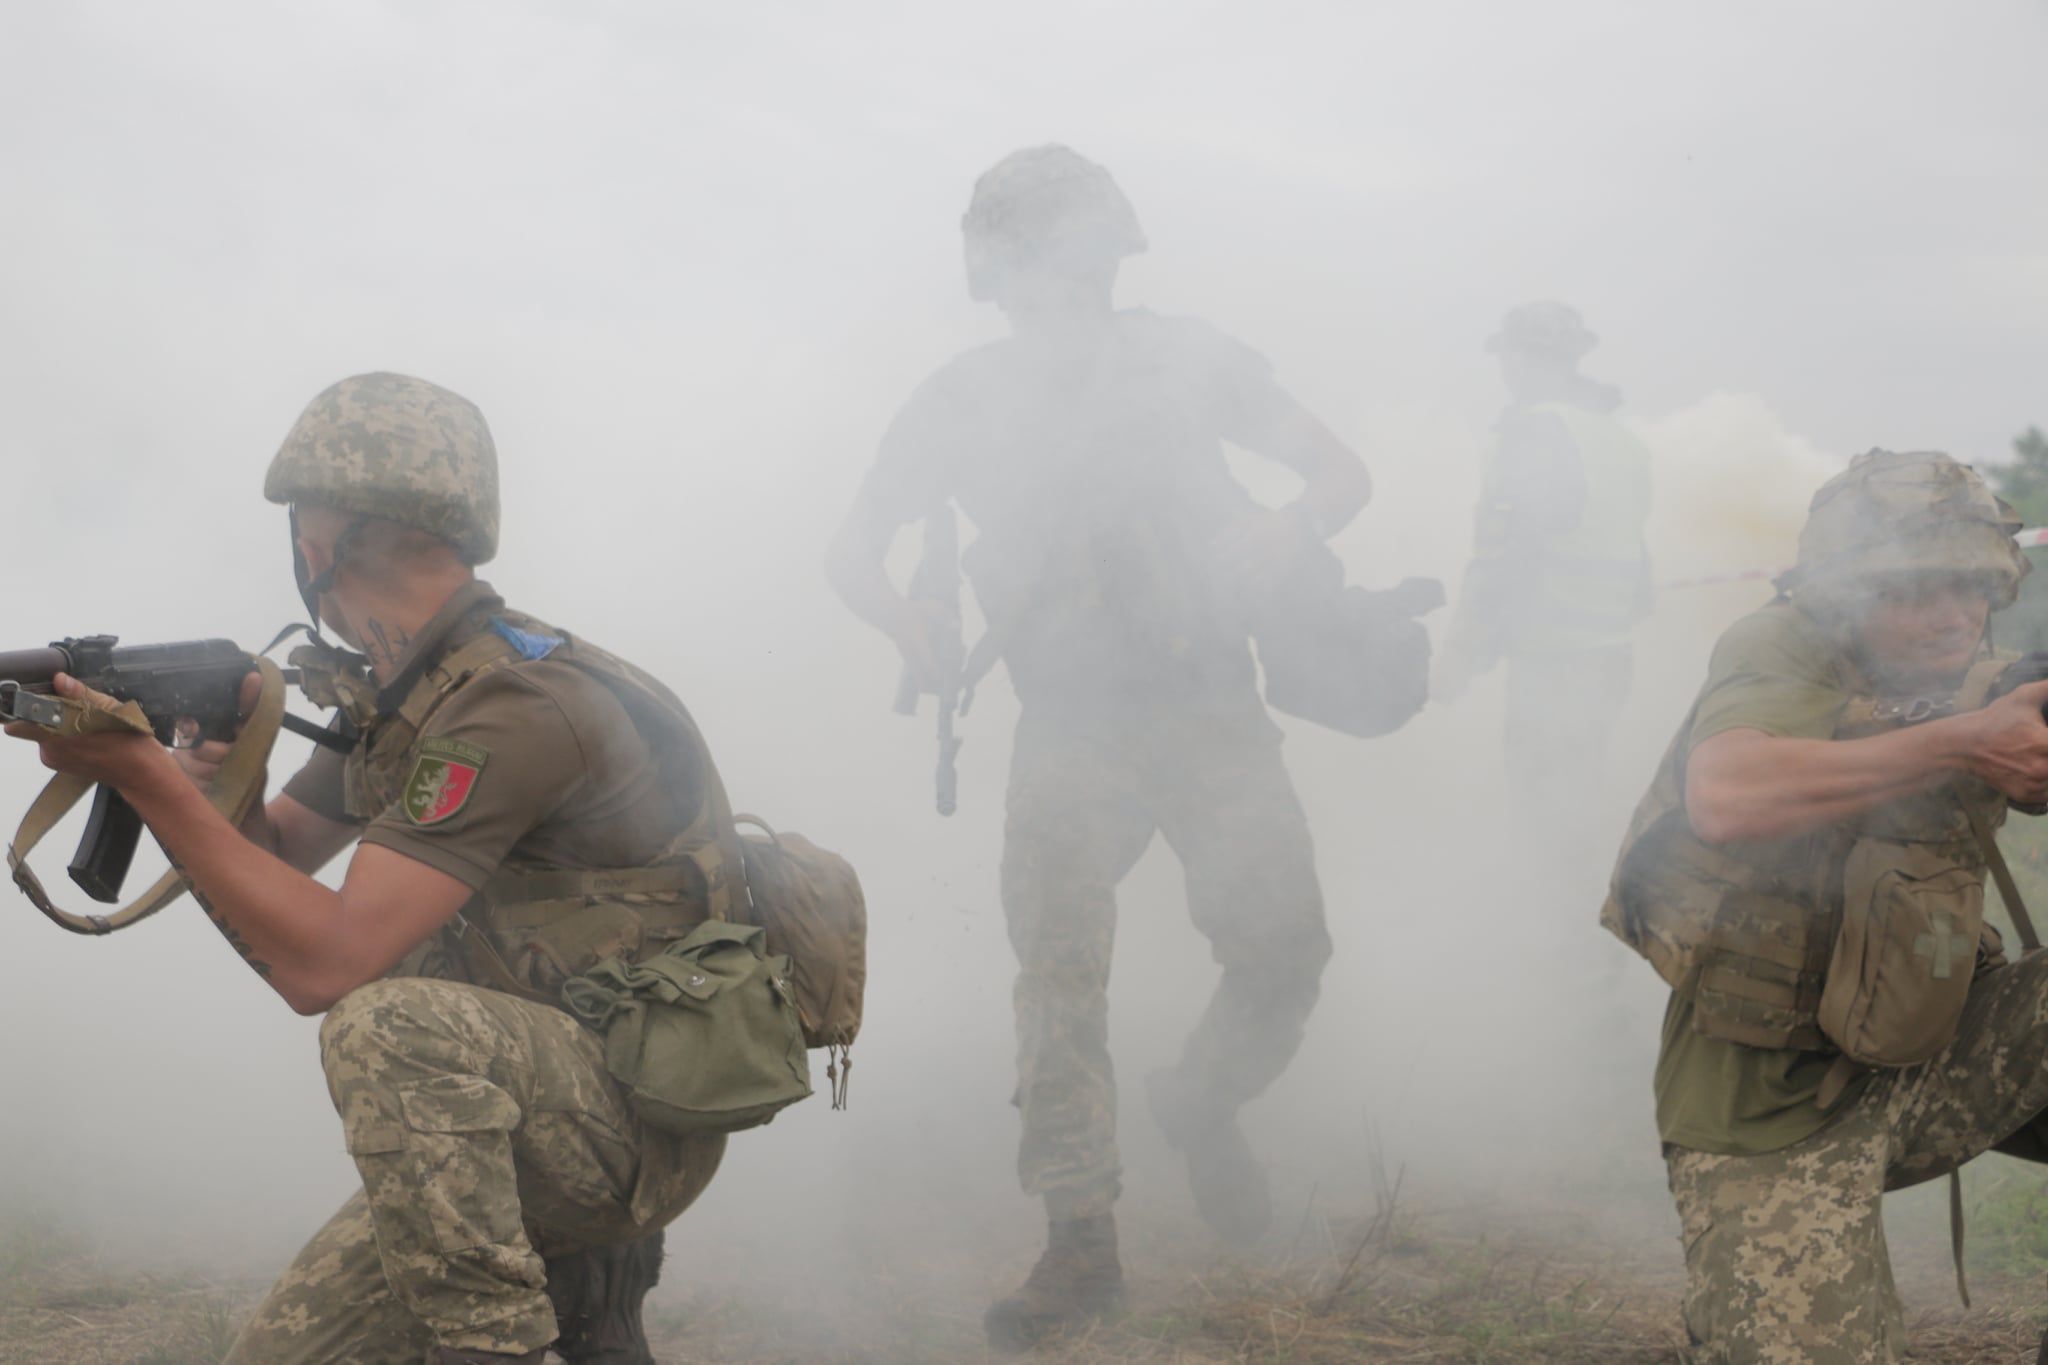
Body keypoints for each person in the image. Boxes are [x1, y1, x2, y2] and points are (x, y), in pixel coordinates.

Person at [6, 372, 733, 1365]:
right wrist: (212, 783)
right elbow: (273, 869)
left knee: (385, 1021)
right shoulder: (409, 695)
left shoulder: (510, 705)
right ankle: (574, 1289)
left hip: (621, 1124)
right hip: (504, 1108)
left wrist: (143, 777)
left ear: (320, 542)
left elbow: (325, 967)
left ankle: (510, 1335)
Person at [825, 144, 1370, 1350]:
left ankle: (1200, 1100)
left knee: (1283, 953)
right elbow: (851, 548)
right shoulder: (961, 399)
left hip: (1213, 710)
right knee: (1060, 987)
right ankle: (1081, 1246)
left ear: (1111, 255)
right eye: (1030, 259)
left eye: (1074, 255)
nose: (1055, 283)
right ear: (996, 272)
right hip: (1069, 726)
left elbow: (1339, 472)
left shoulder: (1189, 361)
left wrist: (1288, 528)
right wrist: (905, 616)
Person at [1601, 449, 2048, 1362]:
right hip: (1774, 1103)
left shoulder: (1978, 673)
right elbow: (1727, 795)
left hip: (1943, 1048)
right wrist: (1966, 743)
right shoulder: (1778, 646)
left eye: (1975, 587)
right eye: (1921, 588)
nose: (1957, 614)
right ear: (1848, 588)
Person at [1435, 300, 1653, 841]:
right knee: (1580, 797)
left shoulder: (1535, 432)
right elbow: (1639, 568)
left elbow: (1504, 554)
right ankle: (1585, 908)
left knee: (1545, 816)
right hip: (1609, 657)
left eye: (1506, 354)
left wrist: (1461, 650)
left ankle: (1556, 916)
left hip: (1553, 664)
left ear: (1518, 356)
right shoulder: (1618, 438)